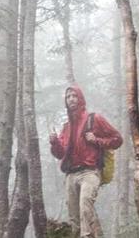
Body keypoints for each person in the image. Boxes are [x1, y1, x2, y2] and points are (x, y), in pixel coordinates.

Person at [48, 84, 122, 238]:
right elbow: (60, 154)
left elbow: (117, 139)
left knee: (85, 205)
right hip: (71, 175)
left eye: (74, 96)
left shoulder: (94, 119)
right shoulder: (66, 127)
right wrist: (54, 142)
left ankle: (86, 236)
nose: (71, 99)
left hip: (90, 172)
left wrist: (97, 140)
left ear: (80, 98)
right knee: (74, 216)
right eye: (68, 97)